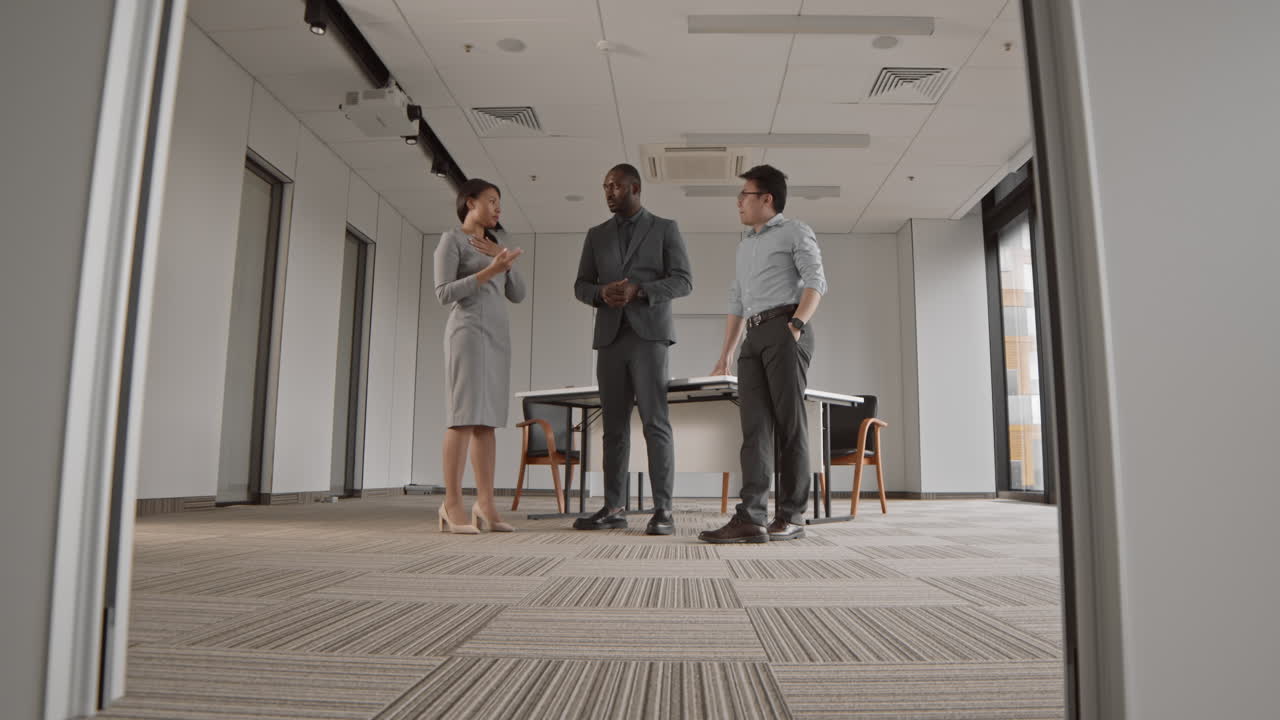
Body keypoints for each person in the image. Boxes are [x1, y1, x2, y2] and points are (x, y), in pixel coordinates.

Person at [700, 165, 827, 544]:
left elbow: (816, 281)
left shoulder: (795, 231)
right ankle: (751, 518)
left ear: (767, 199)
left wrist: (796, 325)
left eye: (745, 194)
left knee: (789, 425)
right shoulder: (745, 245)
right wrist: (725, 354)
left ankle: (791, 516)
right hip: (753, 337)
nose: (739, 202)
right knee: (754, 429)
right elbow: (737, 301)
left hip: (785, 327)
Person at [572, 163, 693, 534]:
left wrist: (640, 290)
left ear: (635, 188)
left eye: (615, 186)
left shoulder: (664, 228)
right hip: (610, 338)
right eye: (605, 186)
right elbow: (581, 285)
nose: (608, 192)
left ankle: (664, 510)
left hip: (649, 337)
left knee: (655, 423)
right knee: (613, 428)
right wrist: (600, 293)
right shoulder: (596, 235)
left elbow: (683, 281)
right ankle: (613, 508)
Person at [433, 179, 525, 534]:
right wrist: (489, 271)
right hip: (467, 334)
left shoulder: (495, 245)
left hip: (497, 338)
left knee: (487, 423)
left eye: (500, 202)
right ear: (470, 202)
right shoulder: (451, 241)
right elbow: (443, 293)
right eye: (491, 200)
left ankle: (485, 504)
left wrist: (505, 263)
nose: (498, 208)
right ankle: (451, 503)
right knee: (463, 418)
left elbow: (518, 294)